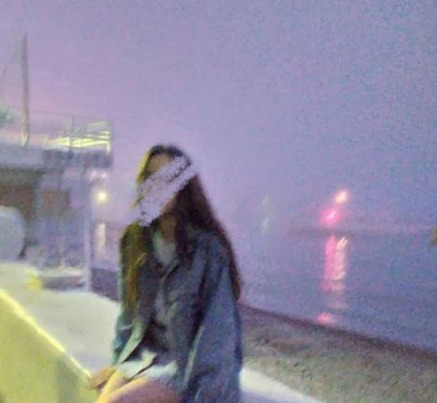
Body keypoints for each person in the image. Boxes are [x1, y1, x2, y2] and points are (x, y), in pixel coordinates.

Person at [89, 145, 243, 403]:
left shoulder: (207, 250)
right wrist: (117, 364)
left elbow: (217, 335)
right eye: (150, 178)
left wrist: (203, 394)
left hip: (184, 366)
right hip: (145, 356)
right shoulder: (135, 240)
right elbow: (128, 317)